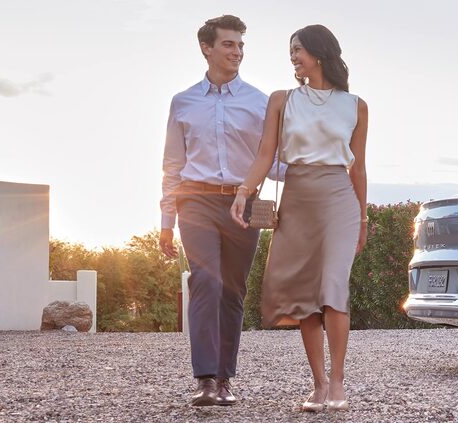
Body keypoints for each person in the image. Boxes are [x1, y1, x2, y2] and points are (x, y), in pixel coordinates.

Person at [231, 24, 369, 413]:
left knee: (333, 287)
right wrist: (243, 193)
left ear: (319, 53)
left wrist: (361, 219)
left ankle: (339, 381)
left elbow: (358, 169)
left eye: (298, 50)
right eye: (290, 51)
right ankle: (319, 385)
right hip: (297, 198)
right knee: (307, 296)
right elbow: (264, 156)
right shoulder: (281, 100)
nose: (292, 57)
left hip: (340, 199)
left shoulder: (356, 105)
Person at [159, 14, 278, 407]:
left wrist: (315, 175)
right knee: (205, 281)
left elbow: (275, 161)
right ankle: (206, 379)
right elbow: (172, 166)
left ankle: (225, 377)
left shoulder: (260, 102)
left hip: (243, 204)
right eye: (229, 44)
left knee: (232, 290)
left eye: (241, 45)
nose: (237, 52)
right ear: (206, 48)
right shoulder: (183, 102)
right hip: (194, 200)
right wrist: (166, 222)